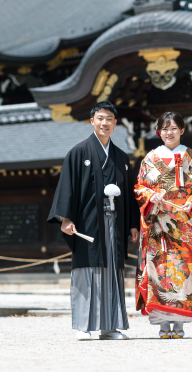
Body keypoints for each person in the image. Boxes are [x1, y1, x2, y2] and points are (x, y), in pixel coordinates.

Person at [48, 101, 139, 341]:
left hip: (115, 223)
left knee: (112, 272)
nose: (104, 123)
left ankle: (110, 327)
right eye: (100, 118)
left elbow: (129, 194)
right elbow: (67, 186)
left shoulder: (121, 157)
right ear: (92, 121)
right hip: (88, 222)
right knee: (87, 270)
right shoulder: (79, 152)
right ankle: (83, 325)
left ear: (115, 123)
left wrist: (132, 224)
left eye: (109, 119)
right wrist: (66, 218)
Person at [135, 111, 192, 339]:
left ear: (182, 130)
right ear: (158, 132)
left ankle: (180, 323)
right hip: (159, 224)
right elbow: (139, 187)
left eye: (173, 128)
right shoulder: (150, 158)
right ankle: (163, 324)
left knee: (183, 271)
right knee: (158, 271)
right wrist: (151, 196)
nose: (168, 132)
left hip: (185, 224)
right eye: (164, 128)